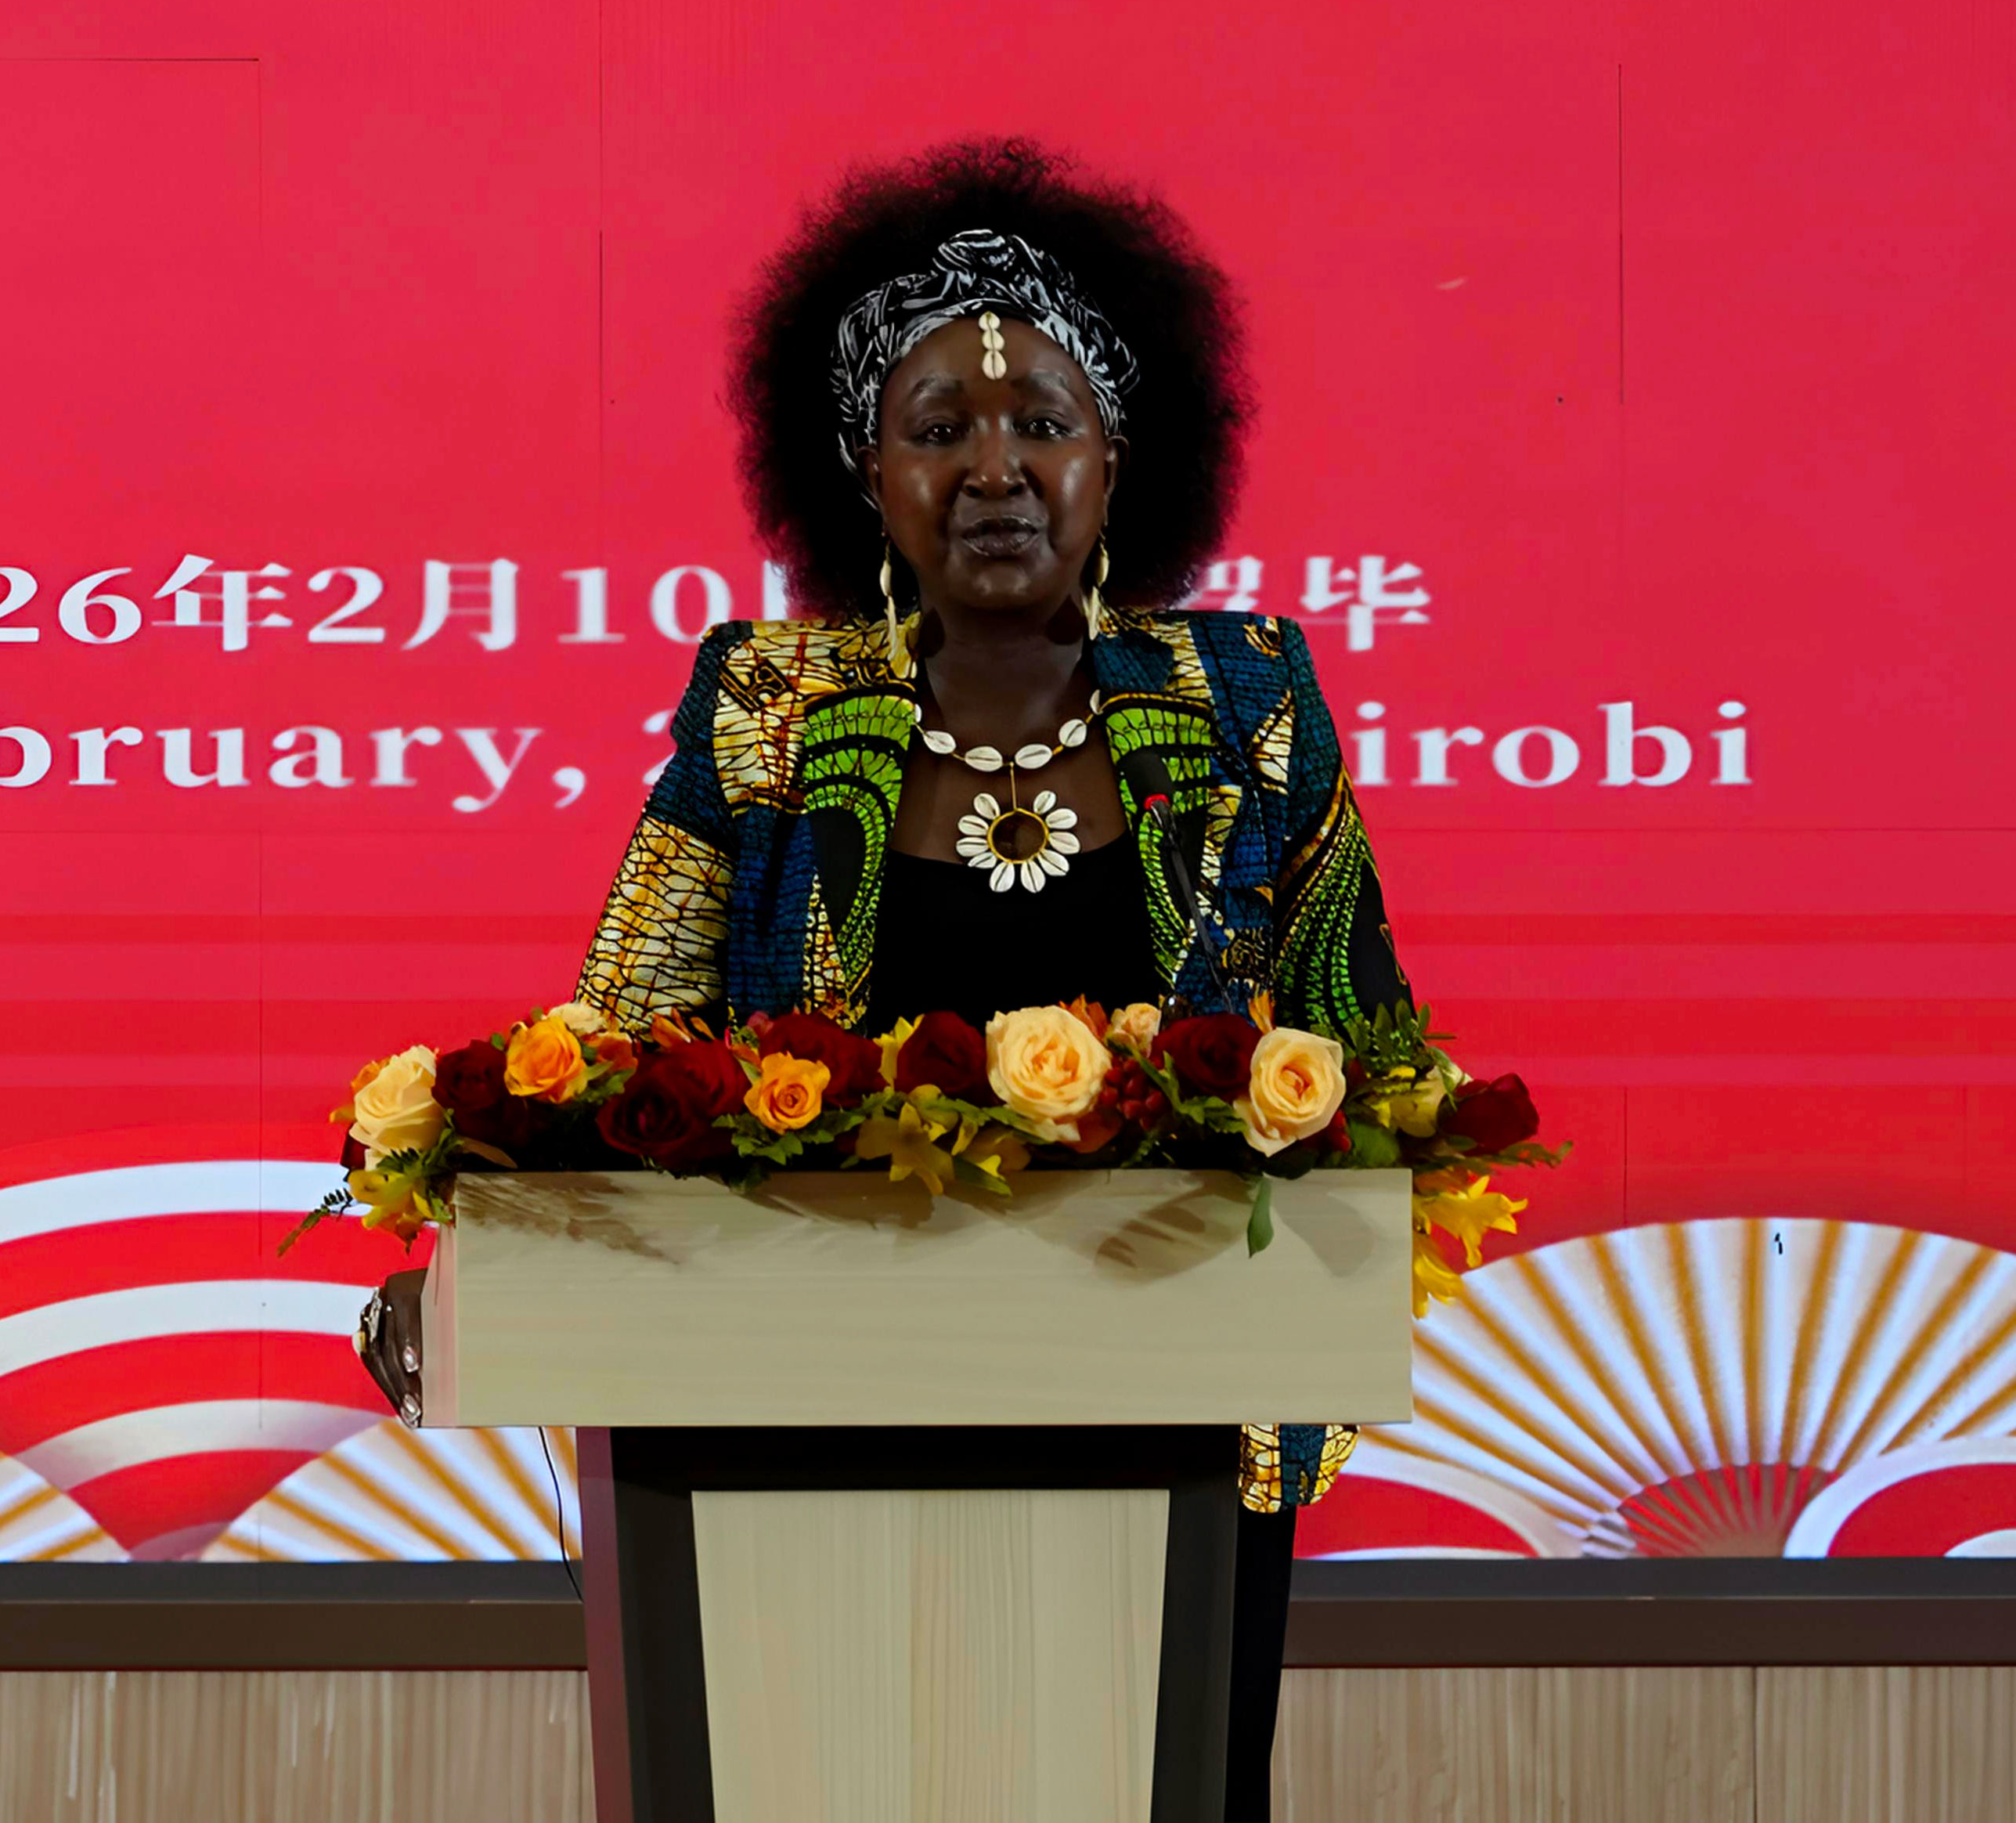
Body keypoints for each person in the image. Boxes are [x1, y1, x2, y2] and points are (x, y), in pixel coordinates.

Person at [569, 135, 1411, 1819]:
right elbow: (613, 1054)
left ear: (1119, 462)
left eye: (1044, 426)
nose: (996, 468)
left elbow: (1363, 1048)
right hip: (803, 1429)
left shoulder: (1246, 699)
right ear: (861, 475)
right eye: (937, 429)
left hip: (1183, 1418)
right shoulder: (766, 706)